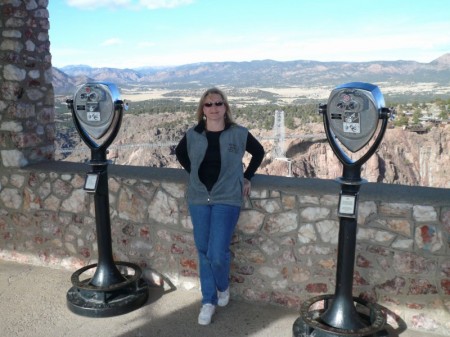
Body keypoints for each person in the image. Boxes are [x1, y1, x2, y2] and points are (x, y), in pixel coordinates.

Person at [175, 87, 265, 325]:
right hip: (198, 197)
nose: (213, 108)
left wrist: (247, 177)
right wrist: (193, 174)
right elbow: (180, 153)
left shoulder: (238, 133)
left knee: (217, 252)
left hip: (227, 197)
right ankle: (208, 300)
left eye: (218, 103)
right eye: (208, 104)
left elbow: (259, 153)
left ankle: (223, 287)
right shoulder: (193, 134)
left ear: (225, 107)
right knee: (203, 251)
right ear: (202, 110)